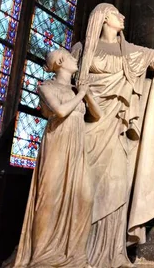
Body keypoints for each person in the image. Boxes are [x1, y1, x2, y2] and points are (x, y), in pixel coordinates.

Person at [72, 3, 154, 267]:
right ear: (103, 18)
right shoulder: (81, 50)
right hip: (89, 126)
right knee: (84, 189)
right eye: (116, 13)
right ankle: (79, 248)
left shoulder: (131, 53)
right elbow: (69, 81)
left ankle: (108, 252)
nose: (122, 17)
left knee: (116, 186)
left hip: (119, 129)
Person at [13, 48, 100, 267]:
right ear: (60, 61)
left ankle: (75, 255)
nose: (74, 59)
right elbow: (60, 112)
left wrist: (86, 93)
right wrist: (80, 94)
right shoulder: (46, 87)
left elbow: (97, 115)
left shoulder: (75, 89)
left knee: (84, 197)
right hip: (57, 145)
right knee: (49, 197)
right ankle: (42, 256)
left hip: (78, 147)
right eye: (71, 57)